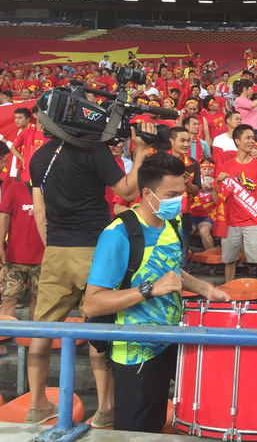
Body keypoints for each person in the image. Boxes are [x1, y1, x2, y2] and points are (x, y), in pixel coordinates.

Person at [84, 151, 230, 432]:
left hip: (170, 341)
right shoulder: (118, 234)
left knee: (168, 423)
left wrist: (205, 289)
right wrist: (150, 289)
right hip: (135, 352)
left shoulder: (171, 224)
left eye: (181, 193)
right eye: (171, 194)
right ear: (147, 193)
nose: (178, 200)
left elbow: (171, 270)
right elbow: (92, 304)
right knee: (137, 432)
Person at [25, 122, 157, 427]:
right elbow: (127, 189)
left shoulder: (39, 155)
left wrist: (55, 247)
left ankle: (36, 405)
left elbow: (39, 211)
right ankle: (105, 408)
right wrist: (139, 150)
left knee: (43, 329)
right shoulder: (93, 150)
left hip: (55, 250)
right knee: (99, 326)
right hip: (93, 250)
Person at [217, 125, 257, 291]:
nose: (252, 141)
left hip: (253, 220)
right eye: (248, 138)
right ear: (237, 141)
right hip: (230, 221)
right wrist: (217, 182)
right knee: (229, 261)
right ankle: (227, 293)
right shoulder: (226, 166)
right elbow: (219, 196)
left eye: (253, 138)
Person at [0, 177, 45, 356]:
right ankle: (2, 340)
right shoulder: (15, 189)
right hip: (15, 257)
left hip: (43, 258)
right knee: (8, 299)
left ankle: (34, 342)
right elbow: (3, 216)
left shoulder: (52, 190)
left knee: (39, 301)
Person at [168, 127, 201, 272]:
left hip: (185, 213)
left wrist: (187, 182)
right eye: (182, 140)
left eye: (188, 141)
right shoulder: (161, 161)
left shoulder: (193, 163)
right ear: (171, 141)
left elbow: (196, 192)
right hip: (164, 212)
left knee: (182, 259)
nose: (186, 144)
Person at [191, 157, 219, 251]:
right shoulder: (193, 182)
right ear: (200, 169)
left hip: (209, 215)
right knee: (186, 231)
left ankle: (212, 255)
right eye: (204, 169)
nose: (207, 171)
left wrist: (212, 191)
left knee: (204, 230)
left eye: (210, 169)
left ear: (214, 170)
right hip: (193, 214)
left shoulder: (217, 183)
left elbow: (218, 203)